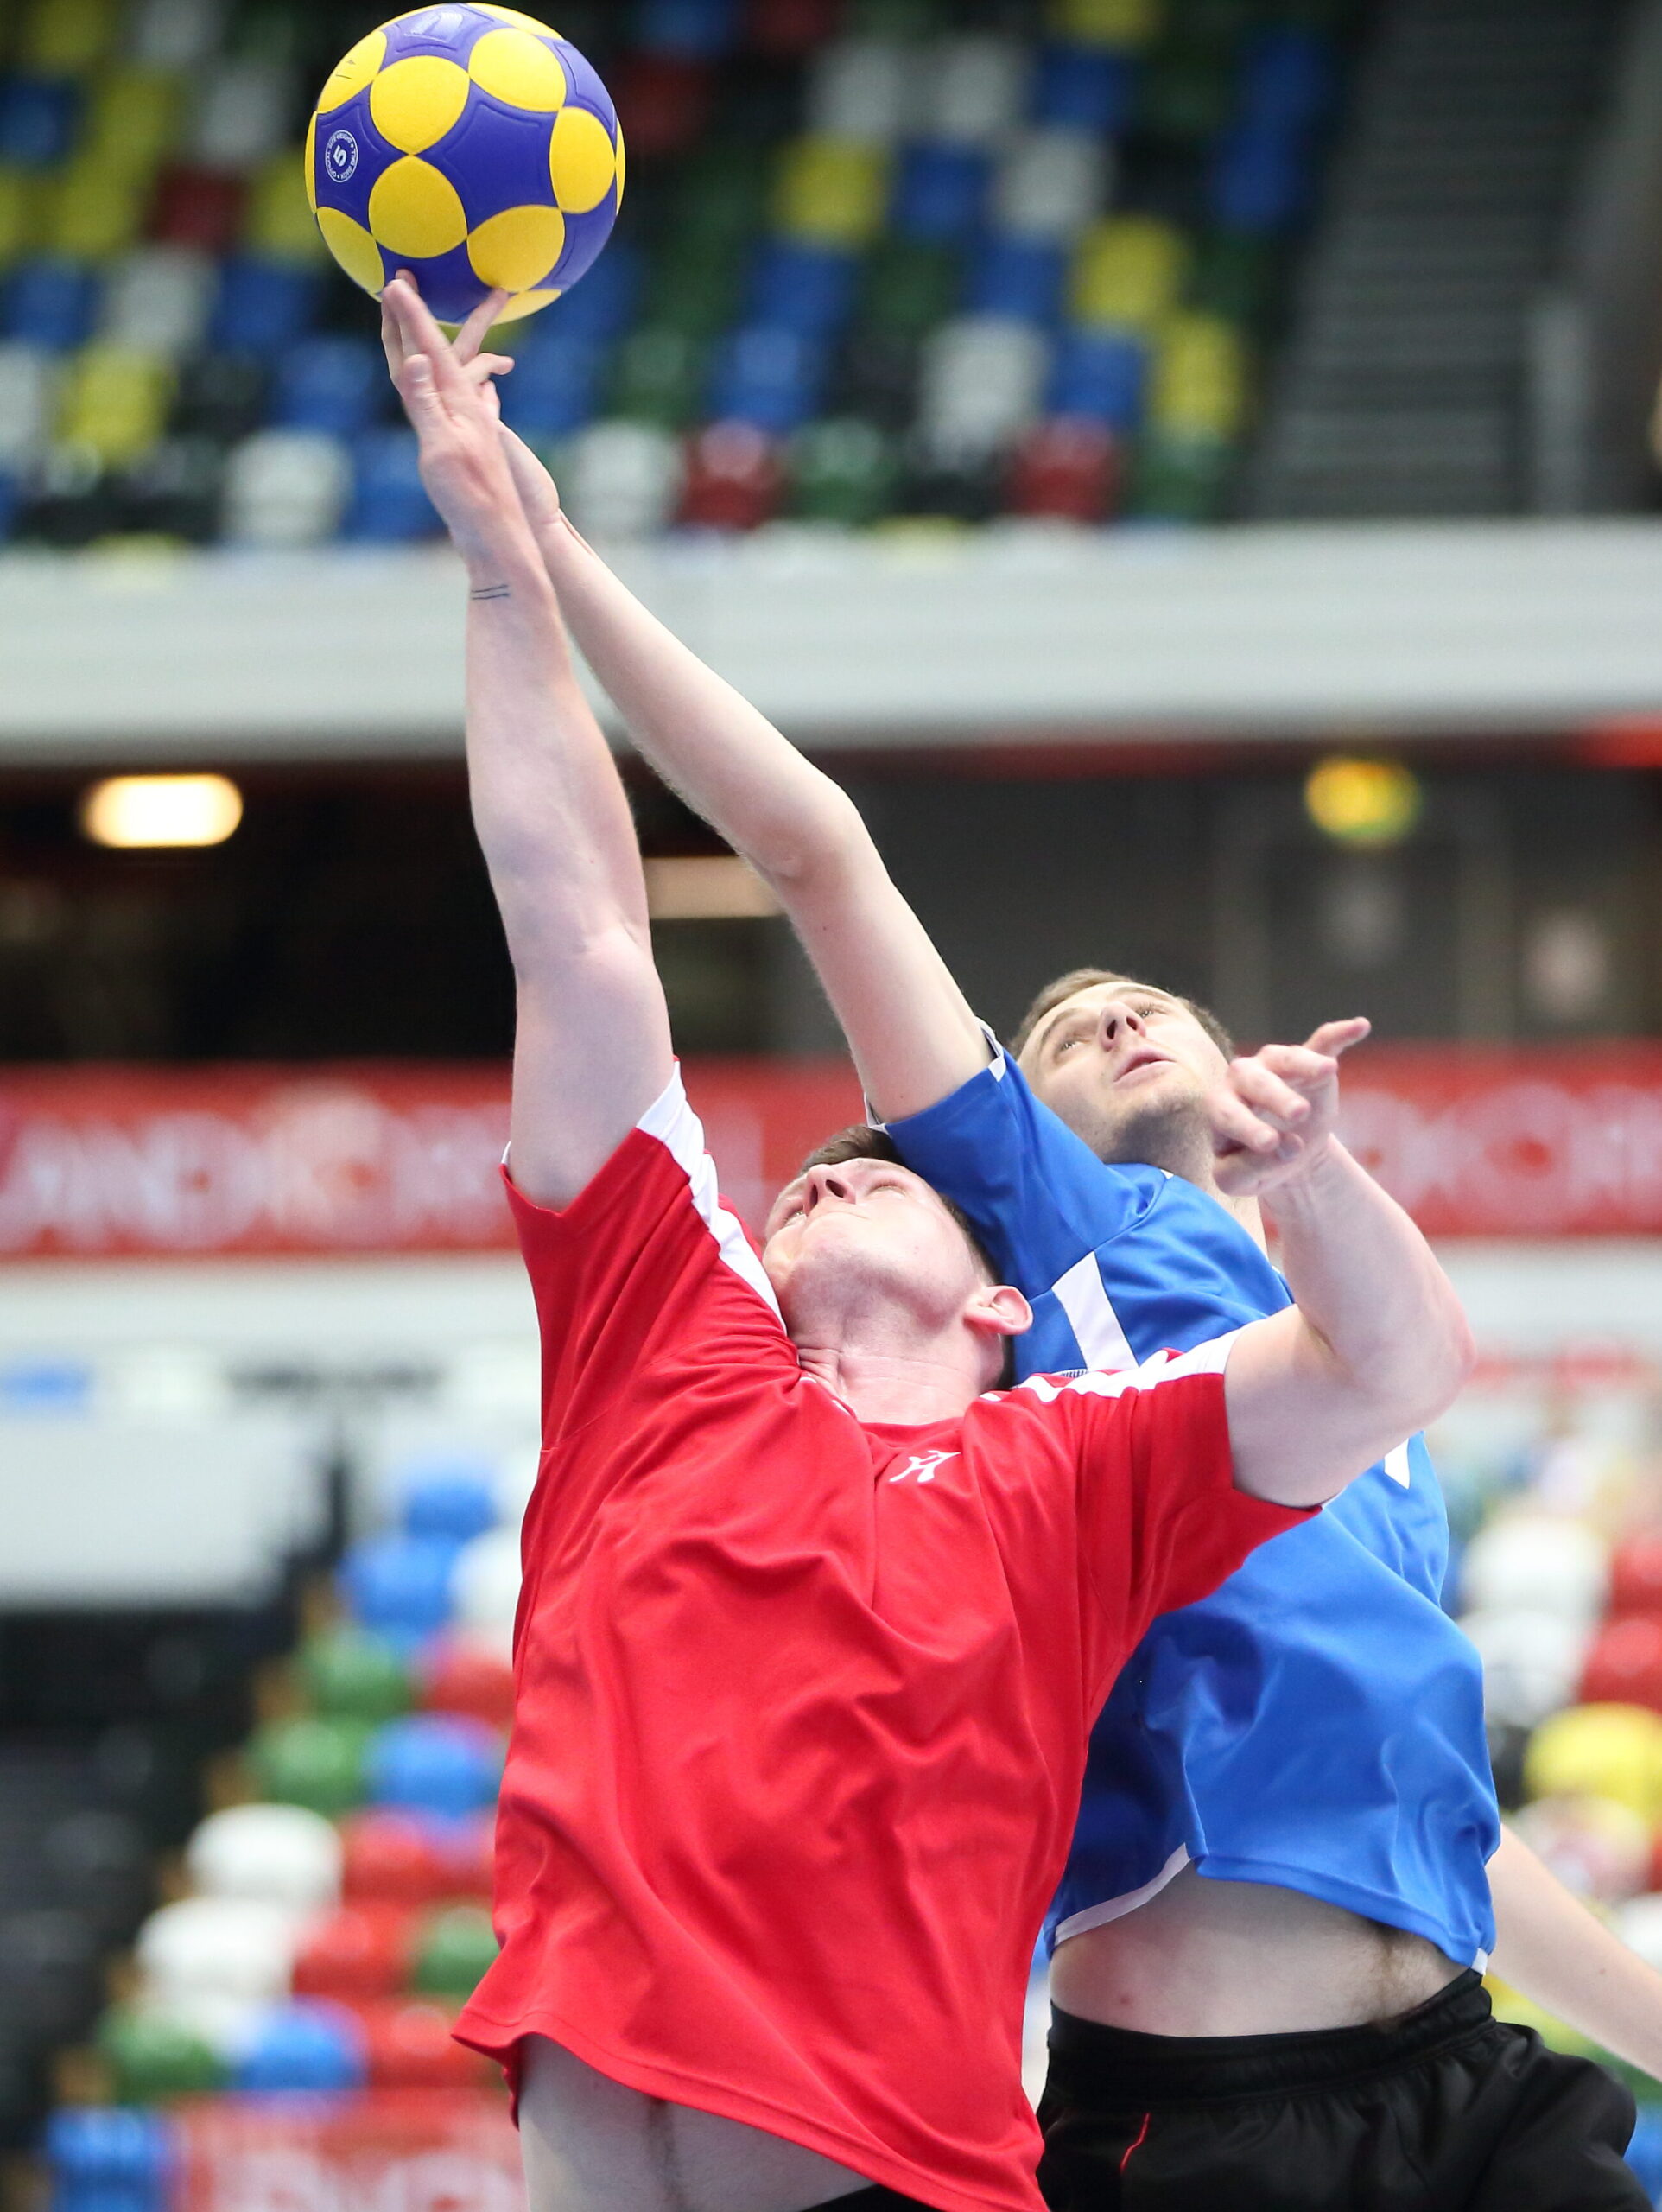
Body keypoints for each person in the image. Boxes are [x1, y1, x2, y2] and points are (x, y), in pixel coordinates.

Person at [414, 300, 1662, 2209]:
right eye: (1059, 1029)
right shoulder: (1063, 1282)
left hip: (1453, 2060)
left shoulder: (1333, 1420)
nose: (1108, 1017)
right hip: (1188, 2095)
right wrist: (539, 557)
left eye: (1141, 1000)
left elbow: (1429, 1818)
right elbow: (814, 854)